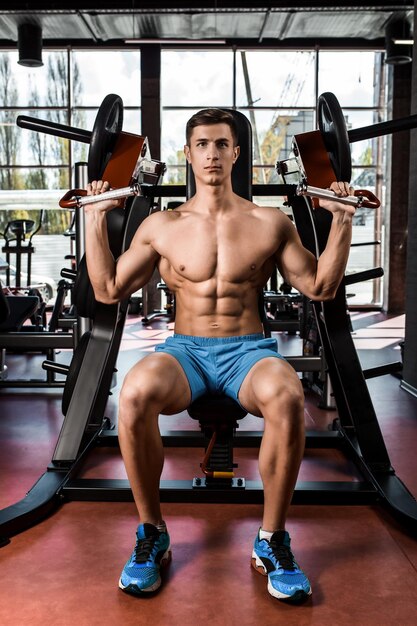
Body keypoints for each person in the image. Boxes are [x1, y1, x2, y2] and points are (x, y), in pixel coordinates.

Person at [84, 108, 356, 603]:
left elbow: (320, 286)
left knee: (288, 395)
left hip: (247, 351)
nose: (212, 153)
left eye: (221, 144)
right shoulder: (161, 225)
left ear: (236, 153)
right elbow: (107, 289)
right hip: (185, 351)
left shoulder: (269, 222)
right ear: (188, 155)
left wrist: (341, 221)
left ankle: (272, 540)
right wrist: (94, 216)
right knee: (136, 391)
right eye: (202, 144)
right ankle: (151, 534)